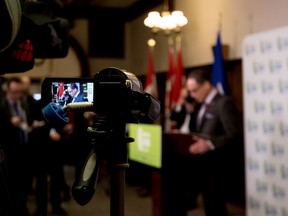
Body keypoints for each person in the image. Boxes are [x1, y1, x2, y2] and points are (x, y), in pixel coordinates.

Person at [169, 69, 241, 216]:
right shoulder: (200, 104)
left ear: (207, 85)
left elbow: (234, 134)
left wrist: (209, 144)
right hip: (203, 165)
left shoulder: (224, 103)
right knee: (208, 204)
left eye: (194, 90)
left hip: (218, 165)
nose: (192, 95)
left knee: (216, 206)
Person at [0, 77, 31, 216]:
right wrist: (10, 123)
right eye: (14, 92)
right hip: (9, 151)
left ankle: (22, 208)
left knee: (23, 183)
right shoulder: (2, 106)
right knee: (11, 184)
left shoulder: (23, 103)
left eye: (20, 92)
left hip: (24, 148)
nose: (17, 95)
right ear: (7, 90)